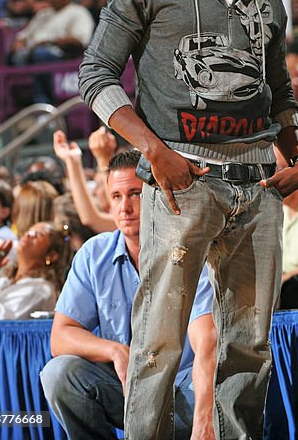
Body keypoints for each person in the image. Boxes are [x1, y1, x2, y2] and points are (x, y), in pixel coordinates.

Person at [78, 0, 298, 439]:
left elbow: (278, 85)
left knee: (250, 348)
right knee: (158, 342)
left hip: (258, 181)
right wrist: (153, 151)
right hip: (183, 180)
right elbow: (96, 74)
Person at [40, 150, 216, 440]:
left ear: (157, 194)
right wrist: (116, 351)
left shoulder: (192, 250)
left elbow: (207, 341)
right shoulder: (93, 255)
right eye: (116, 197)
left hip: (183, 389)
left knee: (222, 388)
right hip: (127, 386)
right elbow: (60, 337)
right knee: (60, 373)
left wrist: (204, 418)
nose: (125, 207)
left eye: (135, 194)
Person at [0, 221, 71, 437]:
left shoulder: (39, 289)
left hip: (6, 390)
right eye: (29, 230)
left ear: (51, 255)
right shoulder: (5, 282)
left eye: (39, 234)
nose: (28, 234)